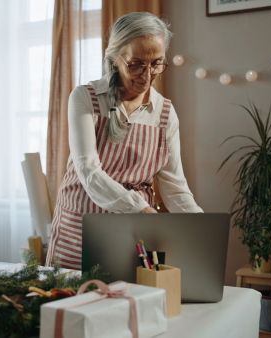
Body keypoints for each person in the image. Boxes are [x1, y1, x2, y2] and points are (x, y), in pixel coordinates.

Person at [45, 12, 202, 270]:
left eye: (157, 64)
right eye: (136, 64)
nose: (147, 74)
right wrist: (141, 210)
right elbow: (89, 172)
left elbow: (174, 186)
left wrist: (201, 228)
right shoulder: (86, 98)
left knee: (131, 302)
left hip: (134, 233)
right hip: (80, 229)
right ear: (116, 58)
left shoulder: (165, 113)